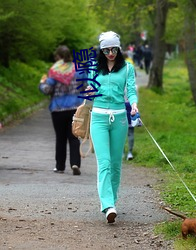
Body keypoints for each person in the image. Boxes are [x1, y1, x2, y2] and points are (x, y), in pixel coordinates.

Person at [86, 31, 138, 223]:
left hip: (120, 119)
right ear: (101, 50)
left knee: (116, 164)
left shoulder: (127, 68)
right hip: (98, 118)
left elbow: (131, 90)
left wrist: (134, 104)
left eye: (114, 49)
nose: (110, 53)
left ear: (119, 48)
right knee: (105, 163)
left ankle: (112, 201)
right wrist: (88, 92)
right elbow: (88, 89)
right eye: (106, 49)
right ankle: (108, 205)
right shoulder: (93, 67)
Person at [39, 45, 86, 175]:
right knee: (74, 136)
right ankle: (75, 163)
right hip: (76, 109)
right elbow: (86, 86)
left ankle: (60, 167)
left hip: (58, 109)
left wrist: (42, 83)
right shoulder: (78, 69)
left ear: (58, 57)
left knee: (60, 138)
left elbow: (47, 90)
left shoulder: (54, 71)